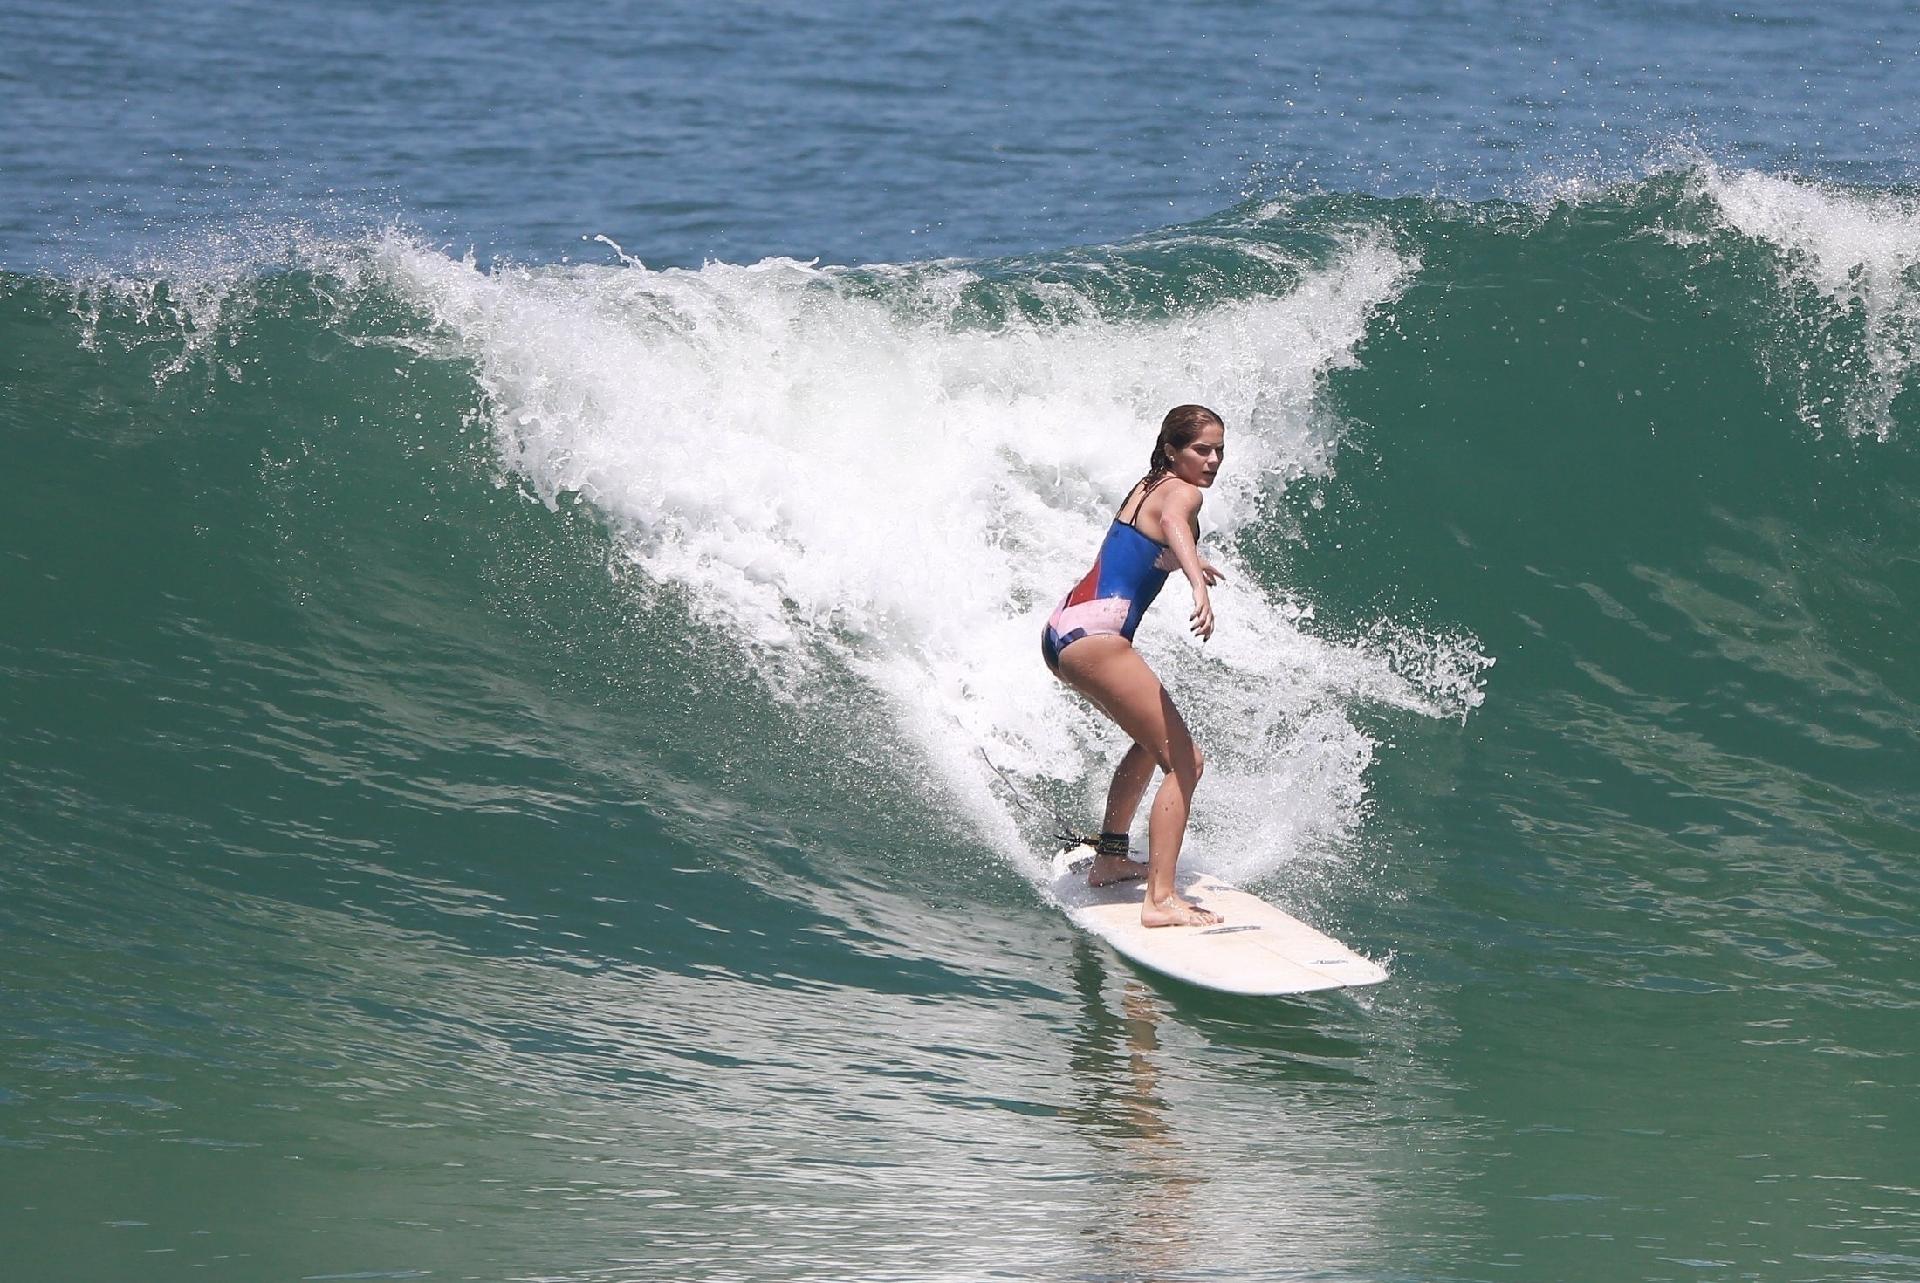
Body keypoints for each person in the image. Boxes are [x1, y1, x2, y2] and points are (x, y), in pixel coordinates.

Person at [1041, 405, 1227, 928]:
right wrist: (1194, 581)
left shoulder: (1149, 483)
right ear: (1172, 448)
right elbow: (1174, 523)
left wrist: (1185, 560)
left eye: (1219, 452)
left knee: (1153, 743)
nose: (1212, 461)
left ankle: (1110, 859)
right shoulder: (1184, 493)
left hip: (1065, 629)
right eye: (1201, 450)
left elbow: (1145, 541)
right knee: (1186, 762)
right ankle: (1160, 901)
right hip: (1098, 639)